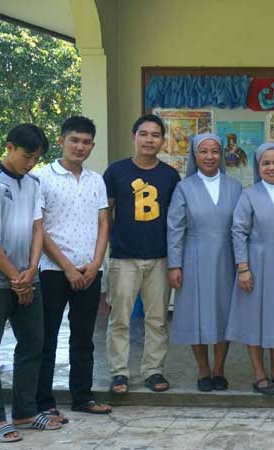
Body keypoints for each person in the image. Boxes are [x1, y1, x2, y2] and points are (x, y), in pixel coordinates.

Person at [0, 124, 64, 443]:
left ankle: (24, 411)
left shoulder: (35, 182)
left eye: (36, 158)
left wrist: (32, 269)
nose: (30, 163)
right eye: (27, 156)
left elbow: (39, 228)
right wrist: (14, 276)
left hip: (29, 280)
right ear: (9, 147)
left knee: (33, 344)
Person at [35, 116, 112, 421]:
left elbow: (104, 223)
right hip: (53, 271)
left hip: (90, 271)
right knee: (47, 337)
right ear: (62, 140)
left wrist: (95, 265)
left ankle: (82, 396)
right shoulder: (42, 177)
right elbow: (38, 228)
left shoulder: (96, 180)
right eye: (74, 141)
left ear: (92, 145)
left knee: (84, 338)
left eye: (86, 142)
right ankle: (43, 401)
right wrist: (67, 267)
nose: (80, 147)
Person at [104, 114, 180, 394]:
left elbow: (175, 220)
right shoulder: (116, 171)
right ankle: (119, 372)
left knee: (157, 319)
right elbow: (106, 214)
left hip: (160, 258)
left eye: (156, 135)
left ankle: (153, 370)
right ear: (134, 136)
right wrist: (112, 244)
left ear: (162, 140)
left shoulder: (169, 175)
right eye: (144, 134)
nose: (150, 139)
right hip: (124, 257)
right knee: (120, 318)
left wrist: (175, 259)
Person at [226, 142, 274, 395]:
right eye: (265, 163)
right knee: (255, 320)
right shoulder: (249, 195)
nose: (271, 167)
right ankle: (259, 374)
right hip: (256, 264)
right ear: (258, 167)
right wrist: (243, 268)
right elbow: (238, 232)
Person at [167, 133, 242, 392]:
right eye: (203, 152)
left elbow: (241, 228)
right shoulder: (183, 188)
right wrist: (174, 265)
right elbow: (175, 228)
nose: (209, 156)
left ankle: (219, 369)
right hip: (193, 257)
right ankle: (203, 369)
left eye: (215, 151)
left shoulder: (235, 187)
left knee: (223, 313)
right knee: (195, 315)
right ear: (195, 156)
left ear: (221, 155)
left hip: (227, 257)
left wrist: (243, 264)